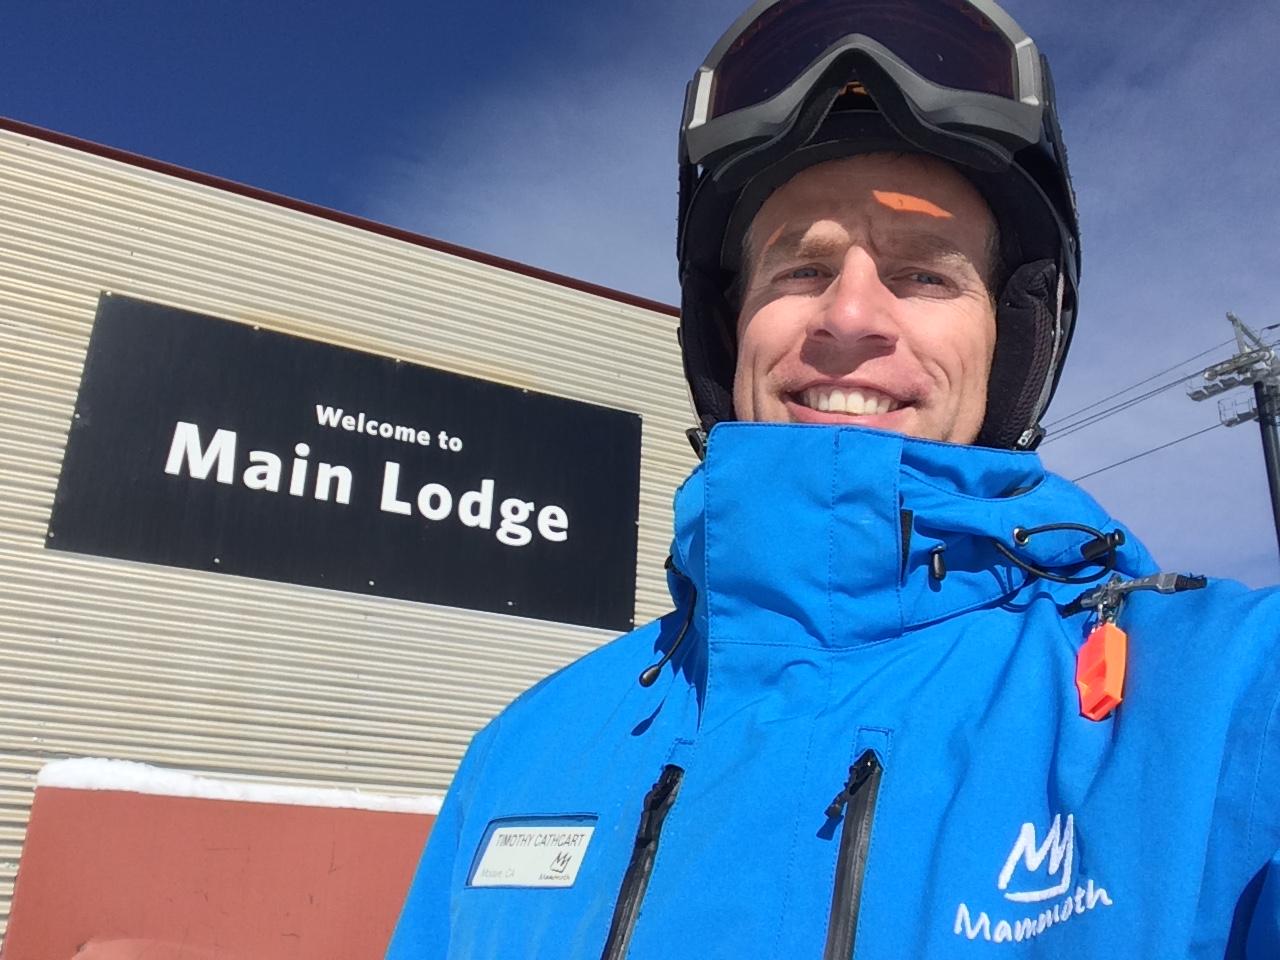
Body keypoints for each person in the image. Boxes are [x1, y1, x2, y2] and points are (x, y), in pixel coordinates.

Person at [387, 1, 1280, 957]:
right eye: (802, 270)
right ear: (728, 331)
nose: (850, 317)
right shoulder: (525, 753)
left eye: (925, 275)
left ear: (1014, 337)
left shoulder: (1224, 701)